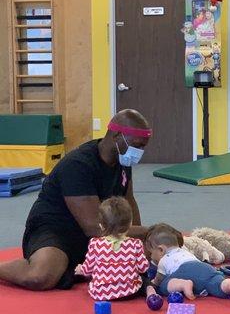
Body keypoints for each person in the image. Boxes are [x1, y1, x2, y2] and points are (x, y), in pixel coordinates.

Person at [0, 109, 152, 290]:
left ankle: (80, 267)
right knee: (41, 276)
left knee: (148, 254)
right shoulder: (78, 165)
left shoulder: (122, 162)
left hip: (94, 235)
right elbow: (95, 227)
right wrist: (148, 231)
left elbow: (128, 200)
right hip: (56, 230)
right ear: (118, 136)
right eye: (137, 145)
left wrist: (140, 242)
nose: (140, 152)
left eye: (143, 147)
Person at [74, 196, 157, 300]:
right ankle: (151, 291)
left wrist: (80, 269)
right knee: (144, 280)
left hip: (101, 293)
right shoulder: (135, 244)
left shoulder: (95, 244)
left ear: (101, 226)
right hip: (130, 291)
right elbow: (143, 268)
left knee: (96, 277)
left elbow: (88, 269)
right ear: (130, 224)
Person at [146, 224, 230, 300]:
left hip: (183, 271)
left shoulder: (164, 260)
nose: (151, 257)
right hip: (204, 268)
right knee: (215, 283)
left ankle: (183, 284)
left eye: (151, 253)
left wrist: (152, 282)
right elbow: (195, 268)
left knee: (164, 286)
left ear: (161, 250)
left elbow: (159, 280)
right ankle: (228, 284)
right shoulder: (185, 251)